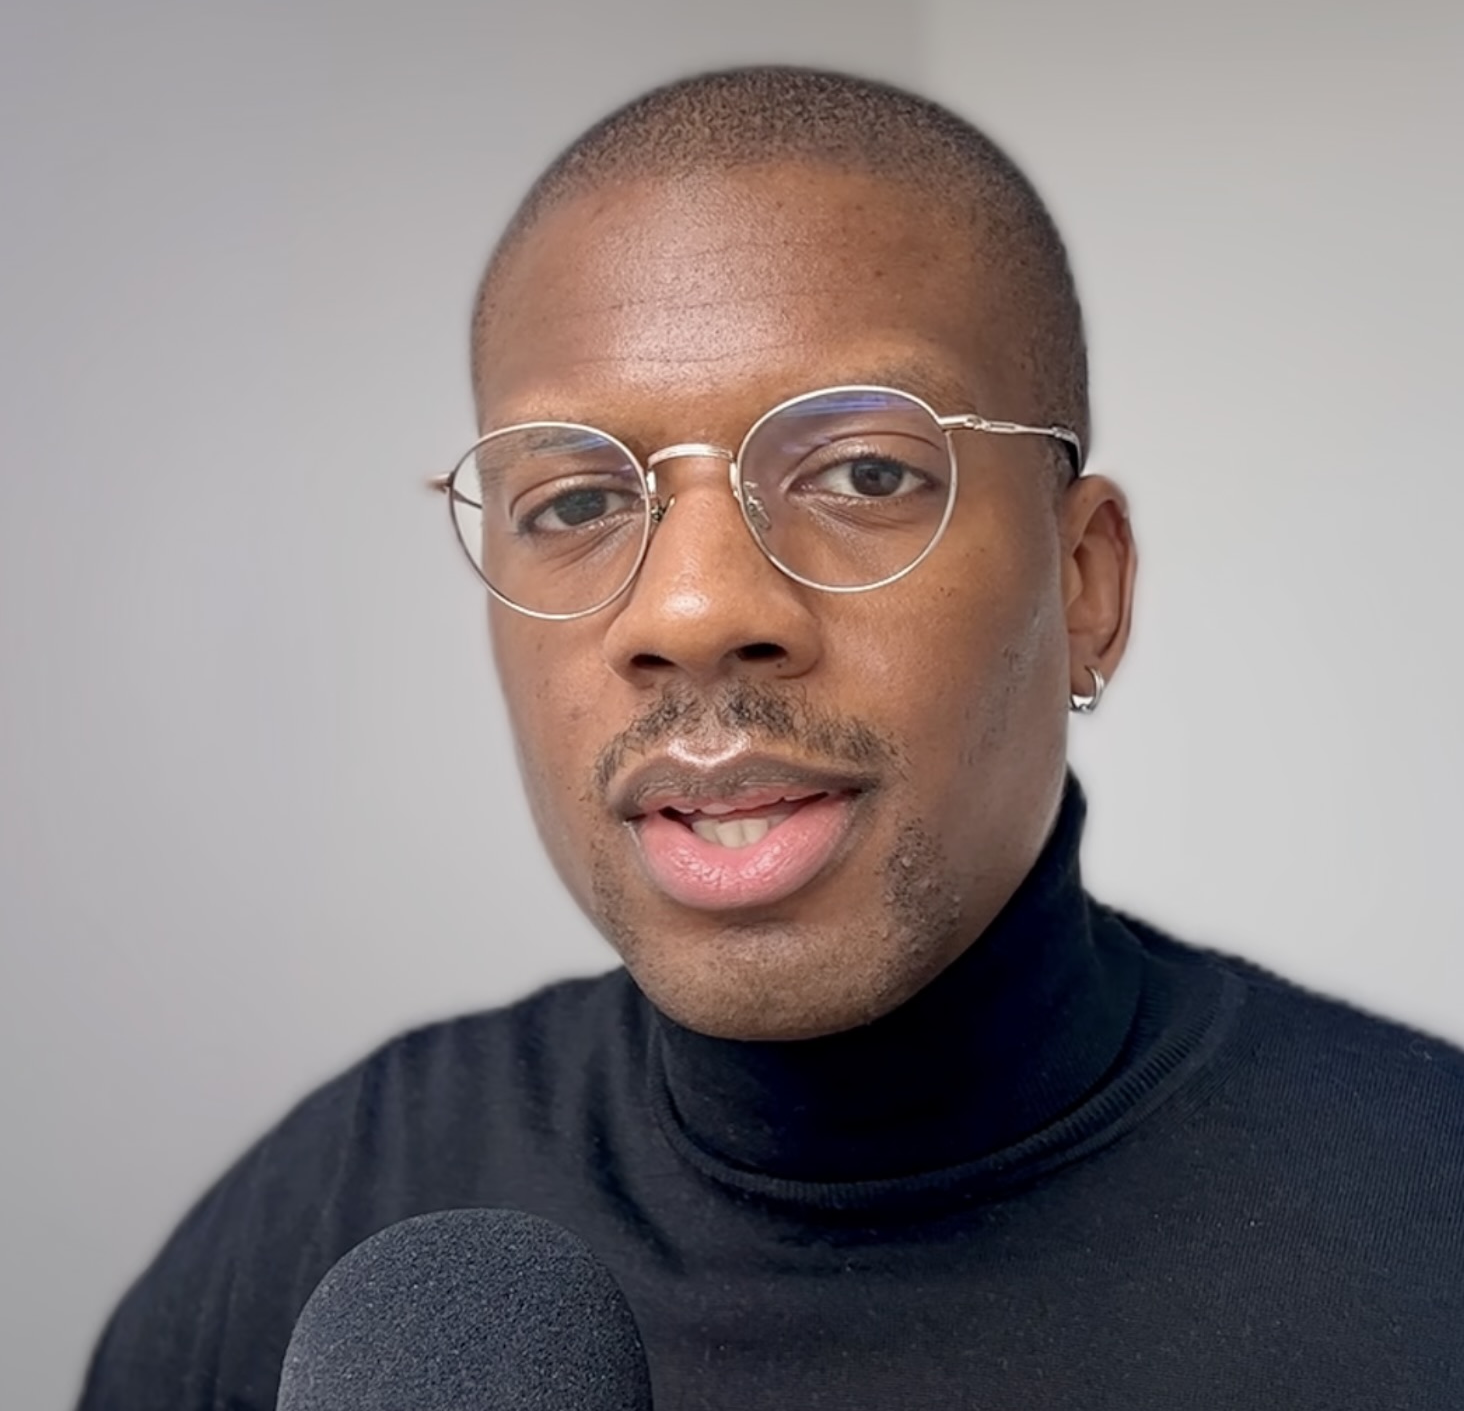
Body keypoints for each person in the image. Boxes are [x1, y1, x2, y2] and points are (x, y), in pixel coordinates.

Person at [77, 68, 1462, 1411]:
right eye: (574, 504)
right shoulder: (329, 1219)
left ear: (1085, 583)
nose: (690, 610)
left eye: (864, 472)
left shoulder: (1424, 1229)